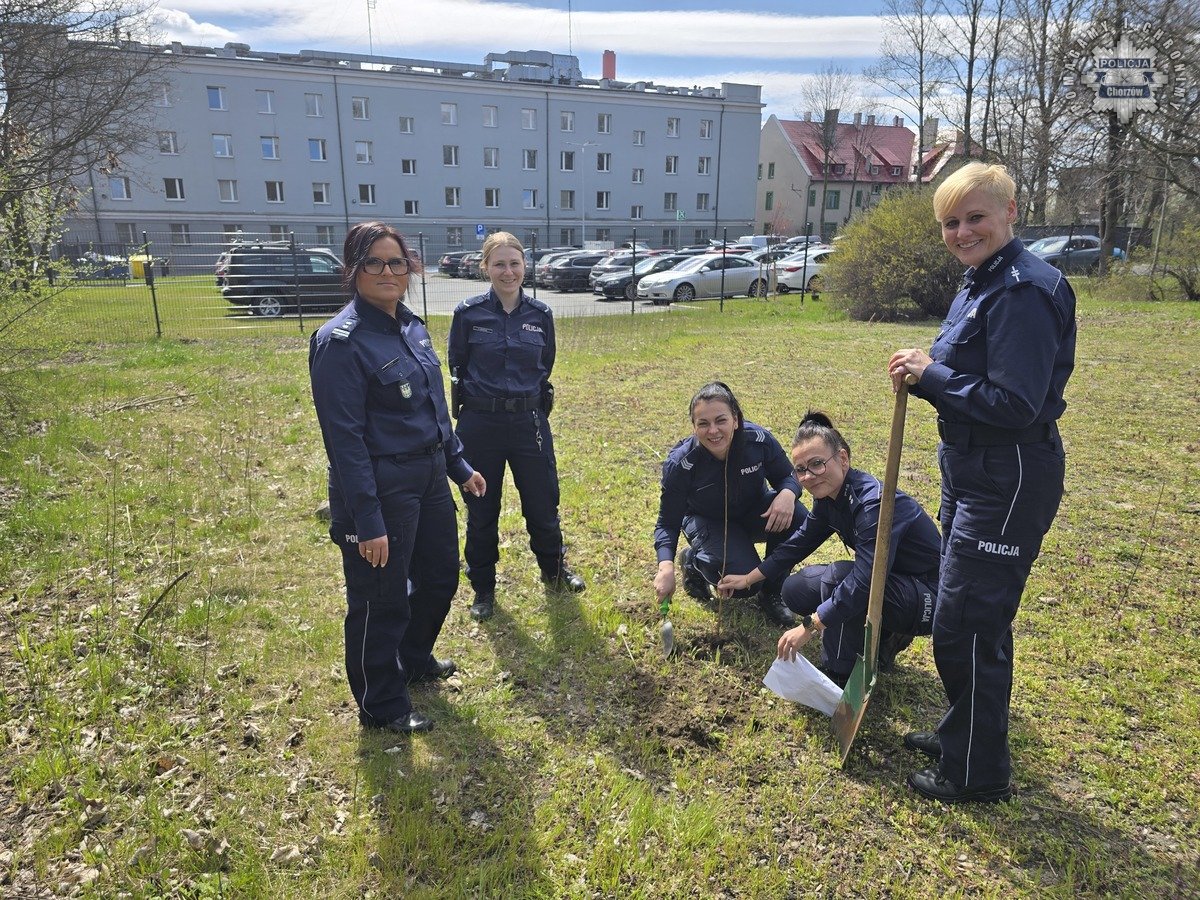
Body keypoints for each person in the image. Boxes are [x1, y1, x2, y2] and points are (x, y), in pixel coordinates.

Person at [889, 162, 1076, 804]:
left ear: (1010, 212)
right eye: (951, 222)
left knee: (967, 623)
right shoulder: (982, 281)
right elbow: (965, 358)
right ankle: (961, 734)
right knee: (967, 611)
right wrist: (922, 366)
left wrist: (933, 379)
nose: (962, 231)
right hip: (970, 468)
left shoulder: (1023, 290)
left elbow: (1015, 403)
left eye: (975, 217)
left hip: (1009, 472)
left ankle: (977, 771)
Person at [309, 221, 486, 735]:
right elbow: (345, 442)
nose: (389, 272)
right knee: (379, 598)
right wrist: (367, 519)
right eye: (374, 263)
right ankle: (381, 703)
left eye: (397, 262)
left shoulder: (411, 327)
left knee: (439, 578)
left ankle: (412, 659)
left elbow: (434, 410)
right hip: (380, 487)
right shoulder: (339, 343)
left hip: (430, 476)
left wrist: (458, 465)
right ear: (354, 271)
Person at [717, 411, 940, 686]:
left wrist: (811, 625)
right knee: (795, 589)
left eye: (817, 464)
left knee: (840, 579)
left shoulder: (872, 505)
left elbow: (865, 580)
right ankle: (879, 636)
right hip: (891, 583)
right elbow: (798, 543)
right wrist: (750, 578)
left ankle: (839, 673)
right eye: (800, 469)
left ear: (842, 459)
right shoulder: (828, 500)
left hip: (927, 595)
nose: (809, 476)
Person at [448, 232, 585, 622]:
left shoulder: (540, 315)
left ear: (524, 267)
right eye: (499, 264)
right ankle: (484, 588)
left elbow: (546, 365)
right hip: (480, 423)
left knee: (543, 502)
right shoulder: (468, 314)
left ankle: (554, 571)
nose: (508, 272)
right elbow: (456, 363)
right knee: (481, 509)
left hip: (529, 422)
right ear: (485, 268)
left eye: (514, 263)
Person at [653, 381, 808, 626]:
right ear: (694, 427)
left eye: (721, 420)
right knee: (745, 586)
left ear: (735, 419)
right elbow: (667, 522)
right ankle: (693, 560)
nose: (713, 431)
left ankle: (773, 593)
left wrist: (788, 494)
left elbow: (789, 476)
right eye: (703, 423)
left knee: (797, 516)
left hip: (752, 513)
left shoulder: (758, 441)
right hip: (707, 521)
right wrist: (665, 567)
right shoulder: (681, 464)